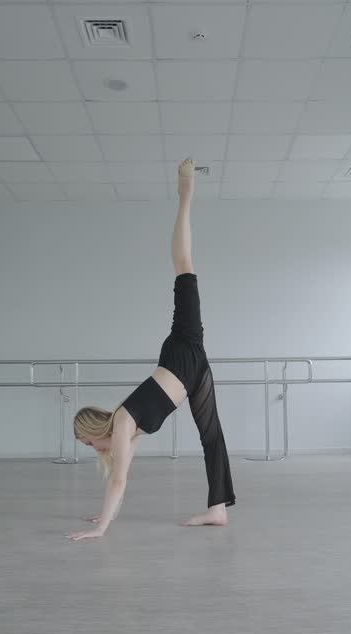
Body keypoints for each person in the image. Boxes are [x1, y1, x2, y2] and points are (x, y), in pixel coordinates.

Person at [67, 158, 235, 541]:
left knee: (183, 266)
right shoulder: (129, 431)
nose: (93, 449)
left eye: (87, 443)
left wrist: (101, 529)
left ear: (93, 434)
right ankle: (218, 510)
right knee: (212, 436)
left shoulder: (126, 422)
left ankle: (185, 194)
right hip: (190, 370)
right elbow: (119, 475)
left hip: (184, 349)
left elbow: (120, 480)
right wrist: (102, 514)